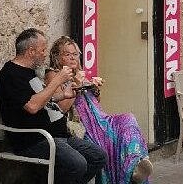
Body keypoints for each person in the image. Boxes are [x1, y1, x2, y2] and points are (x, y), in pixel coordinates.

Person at [0, 28, 107, 184]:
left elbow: (41, 99)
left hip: (57, 135)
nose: (45, 54)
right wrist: (57, 81)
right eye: (42, 50)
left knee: (99, 156)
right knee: (77, 164)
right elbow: (32, 106)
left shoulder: (30, 72)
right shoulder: (11, 74)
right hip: (34, 140)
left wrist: (63, 95)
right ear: (31, 51)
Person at [46, 36, 154, 184]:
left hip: (101, 120)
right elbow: (60, 109)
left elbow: (95, 103)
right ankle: (131, 171)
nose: (72, 57)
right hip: (83, 126)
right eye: (67, 54)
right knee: (114, 138)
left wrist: (95, 90)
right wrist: (77, 85)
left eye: (75, 54)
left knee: (128, 119)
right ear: (57, 57)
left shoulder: (78, 73)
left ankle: (136, 164)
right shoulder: (53, 75)